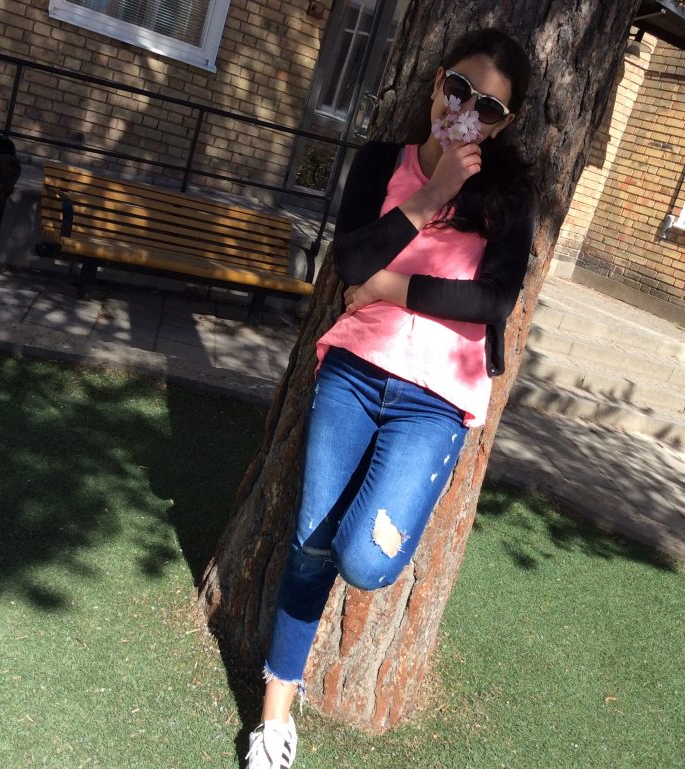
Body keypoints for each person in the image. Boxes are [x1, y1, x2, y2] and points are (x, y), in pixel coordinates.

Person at [245, 28, 535, 769]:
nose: (466, 111)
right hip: (353, 371)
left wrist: (389, 286)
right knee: (309, 545)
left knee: (365, 562)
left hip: (434, 401)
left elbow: (494, 300)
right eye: (459, 89)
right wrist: (434, 193)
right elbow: (349, 259)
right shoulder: (383, 162)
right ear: (438, 82)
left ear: (504, 124)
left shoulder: (511, 194)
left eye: (489, 108)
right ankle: (274, 720)